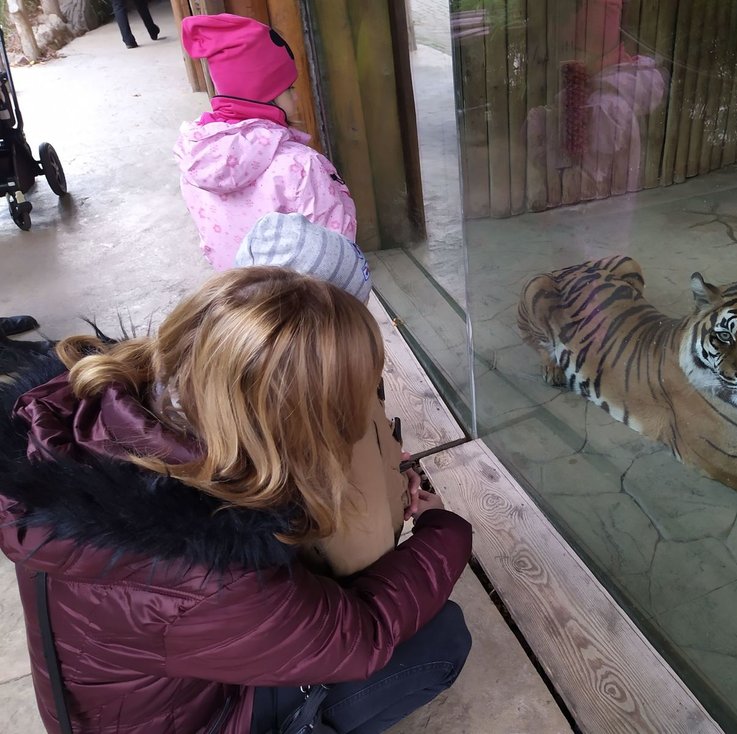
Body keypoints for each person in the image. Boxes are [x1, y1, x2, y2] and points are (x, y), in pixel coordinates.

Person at [0, 267, 472, 733]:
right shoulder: (202, 574)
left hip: (153, 690)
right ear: (291, 423)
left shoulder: (114, 416)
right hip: (198, 720)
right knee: (438, 638)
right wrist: (443, 530)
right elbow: (361, 634)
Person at [236, 211, 411, 577]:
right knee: (446, 632)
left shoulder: (314, 379)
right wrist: (440, 532)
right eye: (350, 320)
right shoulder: (318, 425)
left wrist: (393, 468)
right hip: (370, 590)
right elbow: (369, 579)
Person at [174, 14, 356, 271]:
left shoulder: (194, 157)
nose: (296, 97)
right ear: (264, 94)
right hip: (305, 304)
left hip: (245, 300)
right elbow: (338, 253)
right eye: (289, 89)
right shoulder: (302, 166)